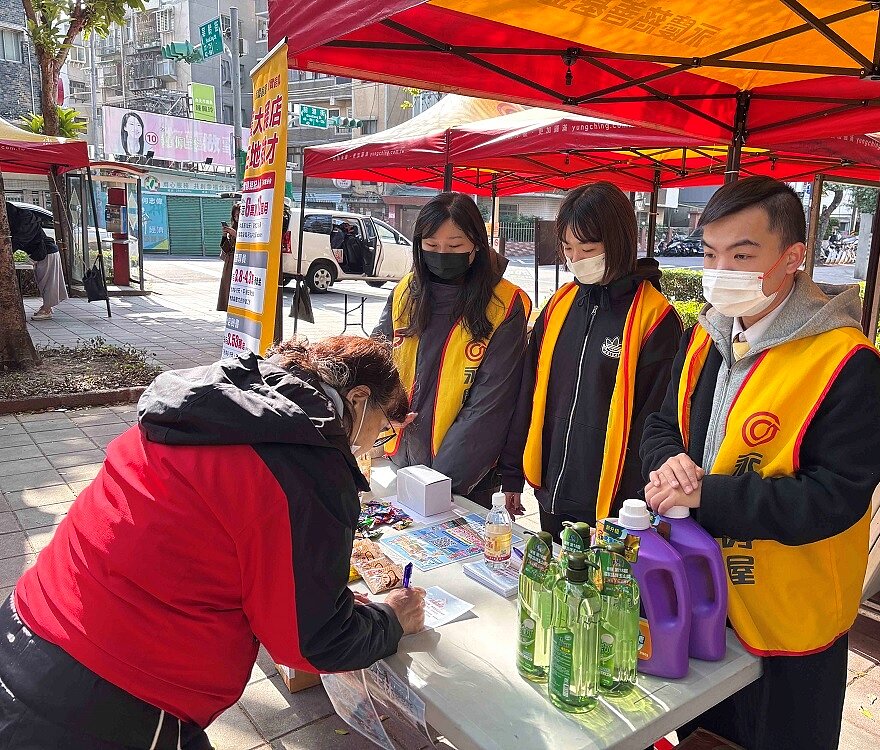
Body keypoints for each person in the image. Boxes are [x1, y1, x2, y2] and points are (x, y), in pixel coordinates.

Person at [0, 336, 426, 749]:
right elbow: (316, 642)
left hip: (30, 620)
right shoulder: (307, 465)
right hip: (110, 695)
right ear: (357, 399)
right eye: (384, 427)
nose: (379, 445)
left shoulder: (221, 401)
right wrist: (392, 619)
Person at [640, 176, 880, 750]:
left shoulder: (845, 361)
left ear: (793, 257)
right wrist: (670, 462)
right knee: (704, 736)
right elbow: (659, 424)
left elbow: (836, 497)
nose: (720, 269)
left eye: (742, 254)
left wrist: (710, 495)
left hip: (786, 621)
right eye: (710, 253)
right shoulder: (706, 337)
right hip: (700, 597)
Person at [500, 182, 682, 535]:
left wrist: (636, 503)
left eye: (588, 248)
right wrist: (512, 473)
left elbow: (656, 421)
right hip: (549, 490)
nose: (576, 260)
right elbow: (529, 391)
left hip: (614, 503)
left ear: (618, 242)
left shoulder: (655, 318)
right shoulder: (560, 304)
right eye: (569, 248)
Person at [373, 192, 529, 507]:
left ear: (476, 245)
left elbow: (490, 404)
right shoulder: (406, 290)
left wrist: (441, 481)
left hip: (467, 477)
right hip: (402, 456)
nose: (442, 253)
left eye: (455, 246)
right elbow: (381, 357)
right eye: (431, 245)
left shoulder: (504, 304)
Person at [6, 202, 66, 320]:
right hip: (44, 252)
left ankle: (47, 309)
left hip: (46, 252)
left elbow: (18, 241)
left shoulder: (24, 222)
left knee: (47, 283)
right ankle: (46, 306)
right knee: (45, 282)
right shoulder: (24, 218)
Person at [216, 202, 239, 312]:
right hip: (230, 263)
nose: (237, 218)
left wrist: (236, 235)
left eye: (239, 215)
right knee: (227, 287)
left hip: (240, 263)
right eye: (235, 216)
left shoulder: (249, 230)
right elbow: (225, 249)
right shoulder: (233, 228)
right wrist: (225, 235)